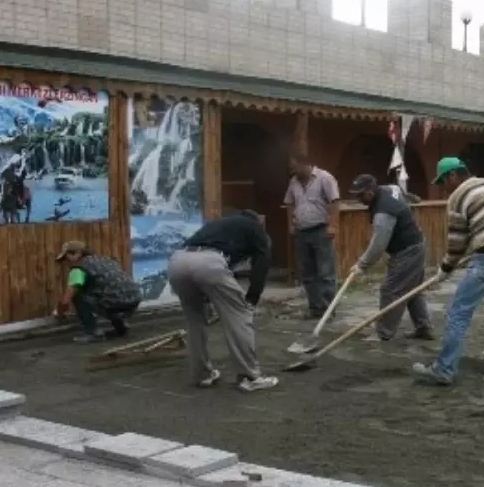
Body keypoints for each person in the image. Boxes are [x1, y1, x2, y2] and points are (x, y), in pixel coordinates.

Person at [412, 157, 484, 386]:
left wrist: (444, 269)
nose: (443, 188)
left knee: (458, 312)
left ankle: (443, 369)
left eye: (443, 182)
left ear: (453, 176)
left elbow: (456, 242)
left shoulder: (458, 197)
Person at [167, 210, 277, 392]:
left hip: (178, 261)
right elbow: (262, 261)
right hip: (208, 262)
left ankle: (202, 375)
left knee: (195, 319)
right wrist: (252, 298)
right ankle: (250, 377)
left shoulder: (220, 225)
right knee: (239, 314)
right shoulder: (254, 227)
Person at [348, 174, 435, 342]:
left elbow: (379, 244)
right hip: (416, 244)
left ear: (371, 192)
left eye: (360, 195)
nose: (358, 199)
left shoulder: (383, 212)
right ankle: (424, 327)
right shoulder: (389, 189)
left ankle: (384, 332)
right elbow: (400, 191)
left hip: (408, 251)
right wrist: (413, 198)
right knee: (412, 290)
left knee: (390, 290)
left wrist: (362, 265)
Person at [284, 154, 340, 318]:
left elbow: (334, 202)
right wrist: (291, 224)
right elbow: (289, 202)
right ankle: (315, 308)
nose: (292, 171)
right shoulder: (293, 181)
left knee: (325, 272)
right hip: (302, 231)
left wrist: (333, 225)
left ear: (305, 164)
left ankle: (328, 309)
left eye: (294, 167)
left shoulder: (325, 178)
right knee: (307, 272)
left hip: (321, 230)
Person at [53, 241, 142, 343]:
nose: (65, 262)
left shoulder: (78, 269)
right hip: (134, 298)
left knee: (78, 296)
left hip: (114, 302)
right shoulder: (104, 260)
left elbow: (65, 301)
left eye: (66, 258)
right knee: (106, 295)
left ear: (77, 254)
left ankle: (93, 333)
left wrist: (59, 313)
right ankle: (121, 326)